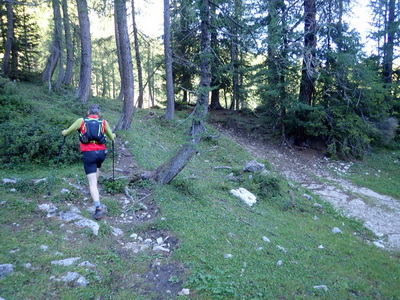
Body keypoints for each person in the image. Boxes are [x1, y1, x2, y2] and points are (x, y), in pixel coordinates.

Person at [62, 104, 115, 220]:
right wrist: (113, 135)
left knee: (91, 182)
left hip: (89, 153)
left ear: (88, 113)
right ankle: (95, 189)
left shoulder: (81, 121)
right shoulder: (104, 122)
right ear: (99, 114)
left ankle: (98, 208)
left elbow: (67, 132)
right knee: (97, 169)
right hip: (101, 153)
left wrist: (64, 132)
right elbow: (111, 137)